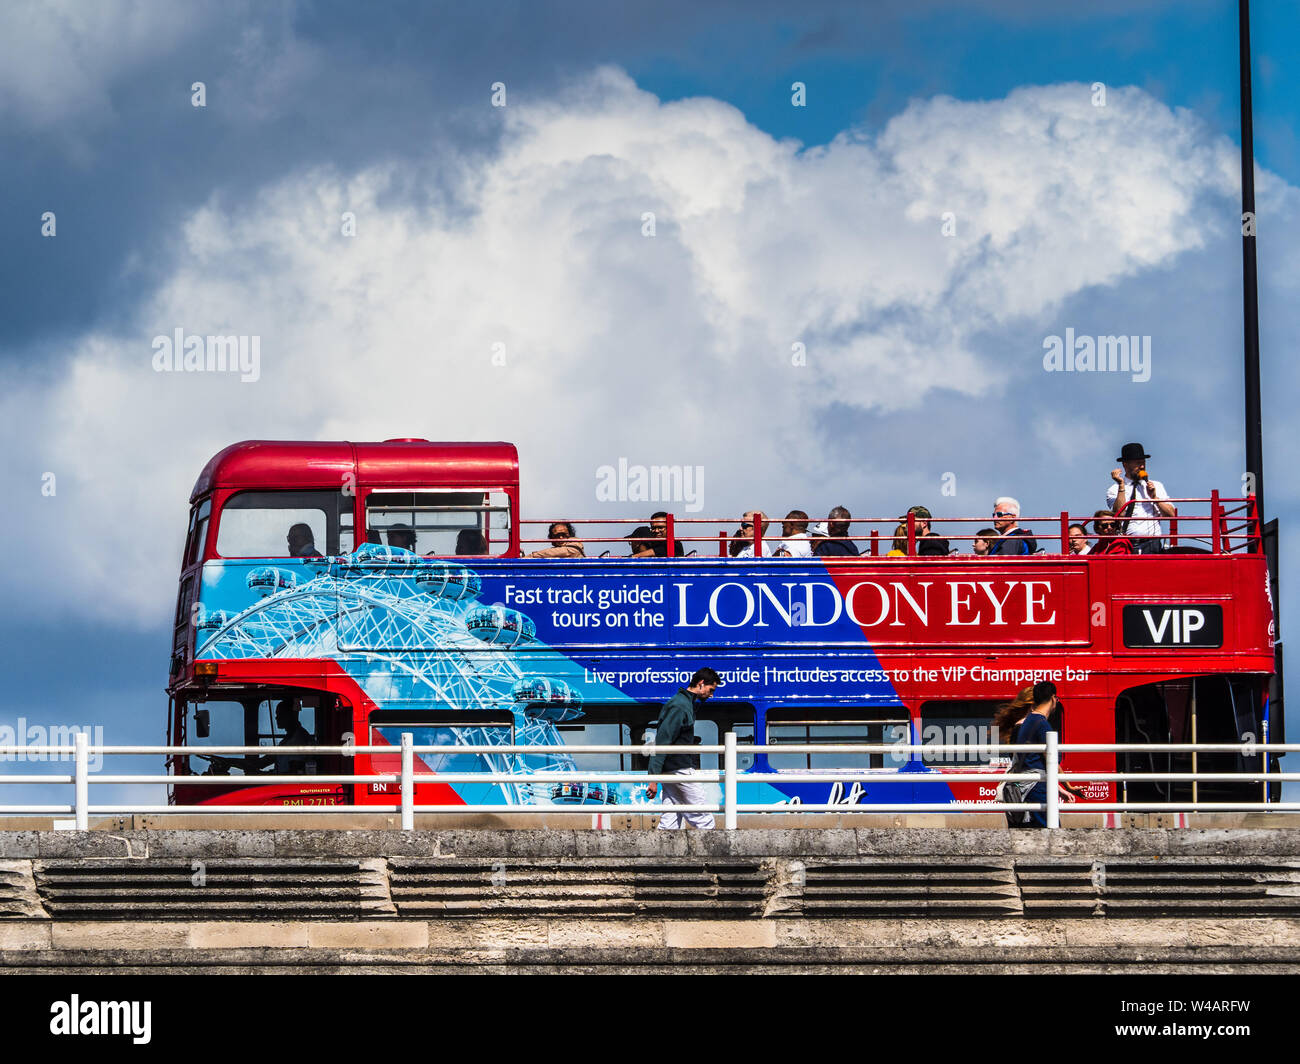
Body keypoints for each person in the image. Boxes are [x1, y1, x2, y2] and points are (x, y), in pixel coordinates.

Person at [646, 668, 720, 830]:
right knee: (703, 817)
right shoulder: (680, 706)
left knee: (670, 820)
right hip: (679, 768)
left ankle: (659, 852)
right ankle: (716, 852)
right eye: (711, 690)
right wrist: (653, 777)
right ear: (701, 684)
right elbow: (663, 741)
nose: (711, 694)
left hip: (671, 769)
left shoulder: (684, 703)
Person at [1108, 442, 1174, 554]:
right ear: (1125, 464)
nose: (1142, 466)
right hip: (1127, 544)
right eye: (1138, 463)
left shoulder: (1156, 485)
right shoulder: (1114, 489)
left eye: (1143, 462)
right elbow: (1119, 515)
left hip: (1153, 543)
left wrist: (1154, 498)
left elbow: (1171, 515)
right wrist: (1121, 486)